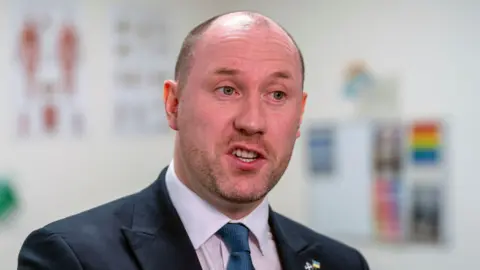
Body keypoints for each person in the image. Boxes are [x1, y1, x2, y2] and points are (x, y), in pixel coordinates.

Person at [17, 11, 370, 270]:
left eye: (277, 95)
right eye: (227, 89)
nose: (252, 122)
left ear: (300, 114)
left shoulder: (342, 263)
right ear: (174, 104)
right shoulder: (69, 257)